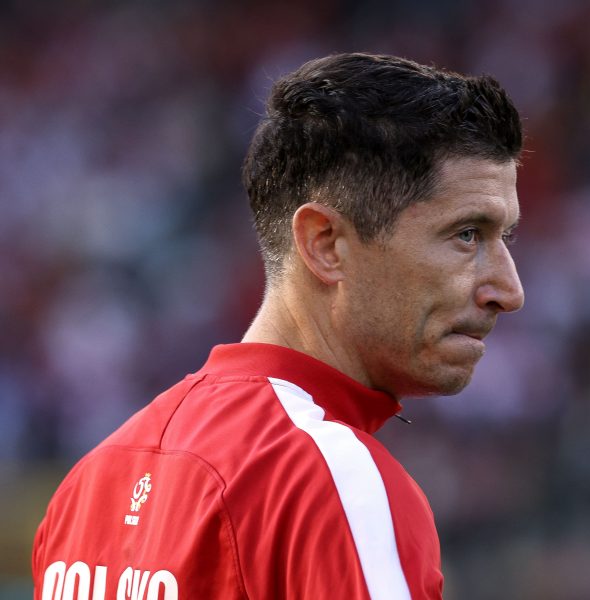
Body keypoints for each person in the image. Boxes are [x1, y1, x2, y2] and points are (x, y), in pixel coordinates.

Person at [32, 52, 524, 600]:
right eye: (466, 235)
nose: (509, 291)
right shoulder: (335, 482)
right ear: (326, 244)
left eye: (505, 238)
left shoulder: (88, 485)